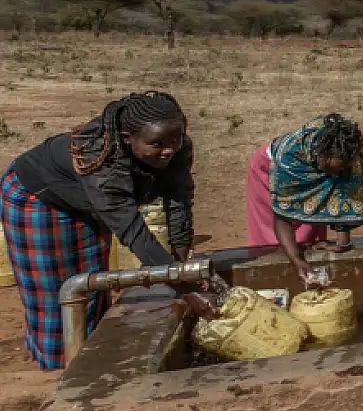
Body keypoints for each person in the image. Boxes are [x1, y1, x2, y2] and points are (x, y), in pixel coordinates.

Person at [1, 91, 215, 370]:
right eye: (157, 144)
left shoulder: (176, 146)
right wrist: (187, 289)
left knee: (92, 283)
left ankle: (88, 358)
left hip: (87, 201)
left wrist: (182, 264)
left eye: (176, 140)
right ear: (127, 138)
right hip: (38, 200)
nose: (168, 150)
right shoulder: (102, 163)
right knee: (56, 295)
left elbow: (178, 200)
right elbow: (134, 232)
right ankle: (60, 370)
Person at [245, 114, 363, 285]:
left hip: (314, 167)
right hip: (269, 170)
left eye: (339, 171)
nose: (334, 175)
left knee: (310, 239)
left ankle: (308, 275)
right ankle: (275, 281)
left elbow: (345, 193)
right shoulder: (288, 158)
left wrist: (342, 243)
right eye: (329, 169)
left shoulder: (349, 152)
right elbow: (281, 217)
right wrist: (296, 260)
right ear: (320, 155)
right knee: (273, 243)